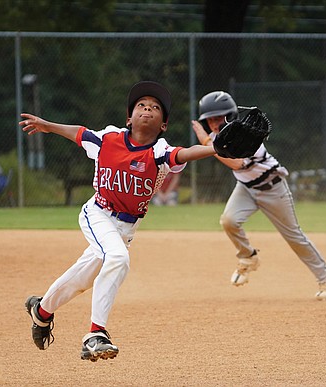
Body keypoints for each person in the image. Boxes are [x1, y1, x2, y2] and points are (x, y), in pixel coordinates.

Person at [20, 81, 216, 362]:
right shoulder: (109, 138)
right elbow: (80, 133)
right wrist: (48, 125)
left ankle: (41, 311)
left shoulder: (159, 150)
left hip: (126, 228)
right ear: (129, 118)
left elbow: (183, 154)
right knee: (118, 258)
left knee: (83, 277)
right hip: (98, 213)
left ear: (163, 125)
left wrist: (215, 148)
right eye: (141, 105)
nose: (147, 108)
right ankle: (95, 334)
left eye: (155, 107)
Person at [191, 91, 326, 301]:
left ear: (231, 115)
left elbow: (236, 162)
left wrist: (205, 141)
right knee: (229, 220)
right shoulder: (216, 138)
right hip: (245, 188)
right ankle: (248, 257)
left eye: (218, 117)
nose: (214, 122)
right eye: (210, 119)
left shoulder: (248, 135)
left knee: (293, 236)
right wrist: (209, 141)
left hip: (273, 188)